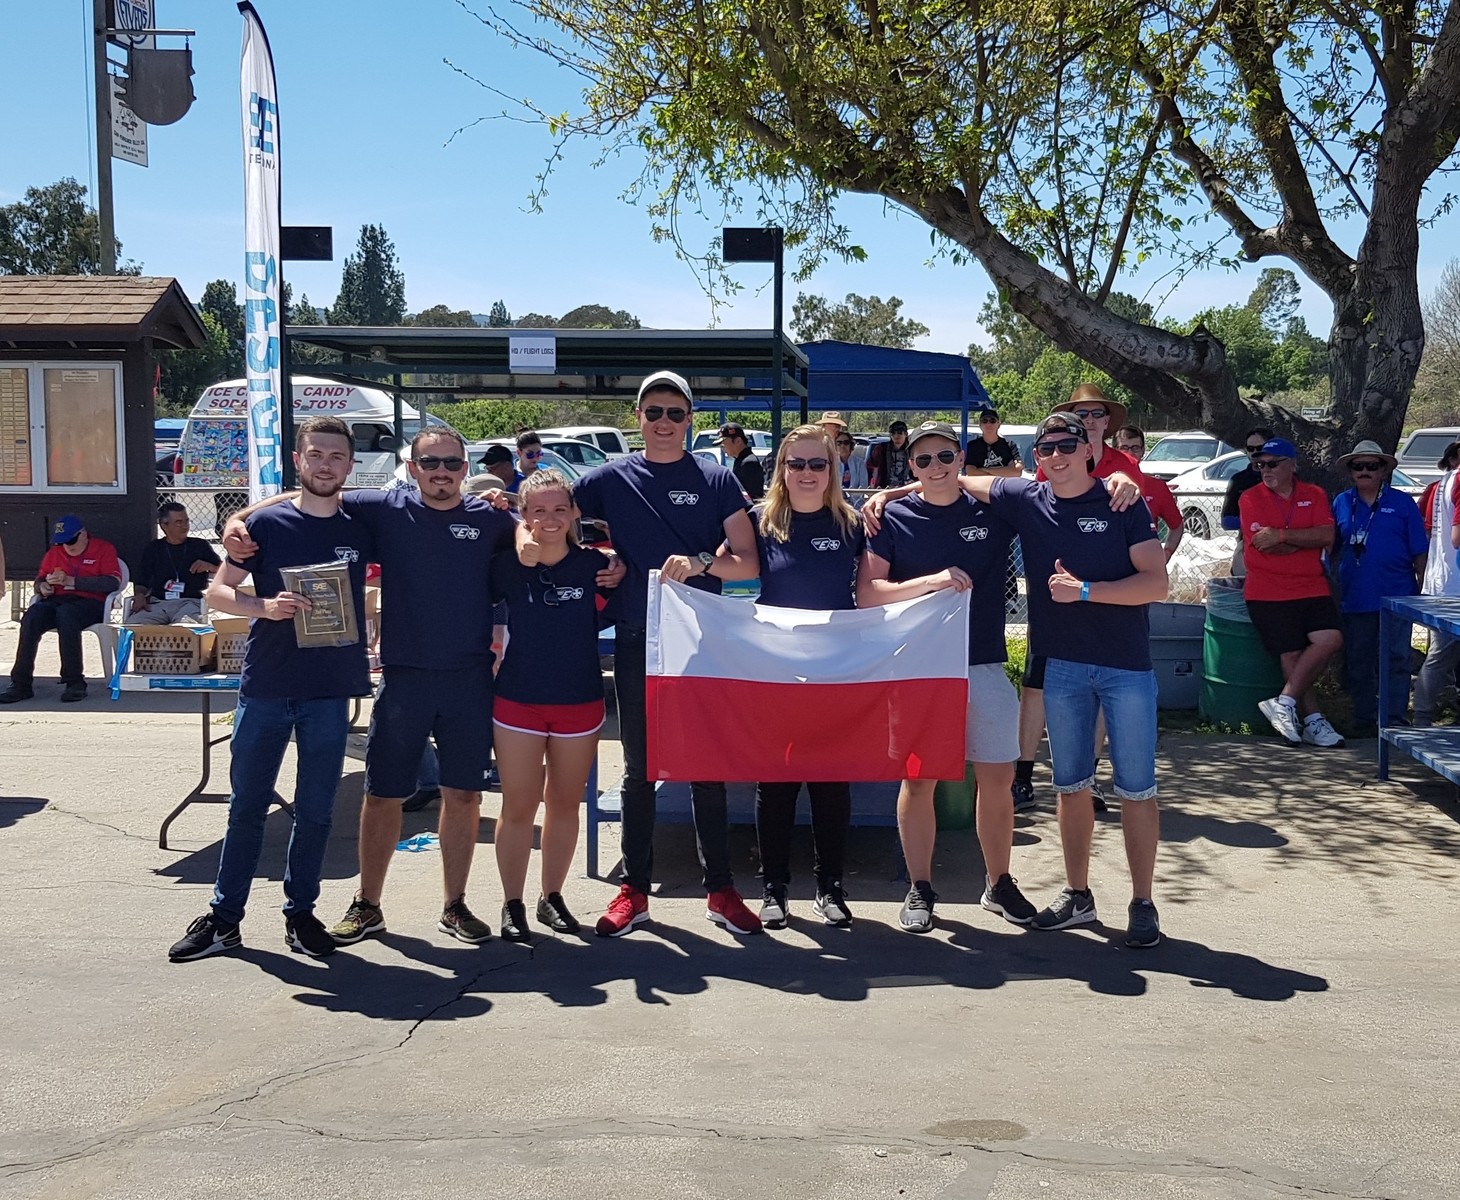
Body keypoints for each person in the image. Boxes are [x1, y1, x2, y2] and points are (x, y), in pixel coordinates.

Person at [223, 428, 579, 945]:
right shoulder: (385, 508)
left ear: (465, 468)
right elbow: (314, 493)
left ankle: (454, 905)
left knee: (463, 796)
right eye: (429, 462)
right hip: (403, 679)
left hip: (469, 680)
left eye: (451, 463)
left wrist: (606, 563)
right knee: (382, 794)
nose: (441, 472)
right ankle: (368, 904)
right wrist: (239, 517)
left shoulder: (489, 518)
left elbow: (544, 532)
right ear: (412, 468)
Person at [534, 370, 762, 938]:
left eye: (675, 413)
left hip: (701, 640)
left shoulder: (715, 478)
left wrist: (703, 562)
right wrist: (598, 558)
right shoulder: (610, 477)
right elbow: (547, 515)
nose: (664, 422)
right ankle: (634, 891)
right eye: (653, 412)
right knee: (639, 769)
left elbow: (747, 562)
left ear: (690, 420)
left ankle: (721, 890)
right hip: (639, 637)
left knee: (707, 769)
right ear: (637, 417)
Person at [167, 416, 374, 961]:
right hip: (267, 686)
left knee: (317, 812)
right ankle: (223, 918)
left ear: (350, 465)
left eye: (336, 456)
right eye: (316, 454)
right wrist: (265, 606)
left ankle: (300, 915)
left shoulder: (362, 524)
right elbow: (217, 593)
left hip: (329, 690)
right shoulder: (265, 525)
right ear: (298, 460)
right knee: (247, 808)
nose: (325, 464)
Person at [960, 413, 1170, 947]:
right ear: (1036, 458)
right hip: (1064, 669)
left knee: (1136, 789)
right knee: (1071, 786)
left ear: (1088, 450)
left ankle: (1143, 903)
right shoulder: (1028, 499)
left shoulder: (1122, 501)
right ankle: (1078, 895)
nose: (1057, 455)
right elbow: (951, 478)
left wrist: (1086, 592)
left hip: (1126, 669)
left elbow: (1156, 584)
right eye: (1047, 447)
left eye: (1067, 445)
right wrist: (889, 495)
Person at [857, 421, 1035, 933]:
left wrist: (1120, 480)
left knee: (997, 779)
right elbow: (868, 594)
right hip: (920, 668)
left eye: (944, 456)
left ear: (961, 458)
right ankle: (920, 887)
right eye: (922, 460)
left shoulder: (991, 512)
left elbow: (1036, 486)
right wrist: (931, 583)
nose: (934, 467)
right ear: (910, 465)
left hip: (984, 662)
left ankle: (998, 883)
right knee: (920, 780)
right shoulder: (892, 517)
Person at [741, 425, 862, 929]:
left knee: (831, 783)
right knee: (777, 782)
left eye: (818, 464)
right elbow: (722, 563)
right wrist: (688, 565)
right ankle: (773, 888)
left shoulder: (854, 523)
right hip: (777, 671)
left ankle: (830, 886)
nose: (807, 473)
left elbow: (876, 586)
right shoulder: (760, 521)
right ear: (781, 470)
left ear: (833, 469)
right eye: (797, 464)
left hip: (836, 671)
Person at [490, 469, 611, 943]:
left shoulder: (597, 567)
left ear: (575, 512)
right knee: (518, 805)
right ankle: (512, 902)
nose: (551, 519)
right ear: (524, 514)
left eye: (561, 508)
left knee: (564, 804)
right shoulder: (505, 565)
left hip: (579, 701)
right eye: (538, 510)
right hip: (518, 700)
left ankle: (552, 896)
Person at [1014, 387, 1144, 813]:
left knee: (1104, 701)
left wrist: (1122, 482)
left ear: (1105, 425)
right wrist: (891, 492)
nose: (1088, 419)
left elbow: (1144, 511)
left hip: (1110, 623)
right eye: (1080, 413)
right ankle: (1023, 777)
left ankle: (1090, 776)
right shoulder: (1048, 461)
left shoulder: (1126, 467)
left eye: (1095, 413)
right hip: (1053, 615)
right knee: (1036, 687)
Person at [1240, 438, 1345, 747]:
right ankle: (1313, 720)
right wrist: (1303, 539)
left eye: (1273, 463)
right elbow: (1263, 544)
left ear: (1292, 465)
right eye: (1260, 464)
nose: (1266, 469)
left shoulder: (1314, 494)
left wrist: (1283, 535)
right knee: (1292, 654)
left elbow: (1326, 535)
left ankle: (1284, 703)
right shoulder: (1250, 497)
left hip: (1312, 585)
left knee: (1330, 639)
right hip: (1269, 589)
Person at [1331, 441, 1426, 730]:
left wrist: (1421, 589)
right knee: (1359, 659)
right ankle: (1365, 718)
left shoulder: (1403, 503)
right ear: (1350, 471)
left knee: (1397, 658)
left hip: (1397, 595)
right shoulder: (1341, 503)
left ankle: (1394, 718)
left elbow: (1420, 550)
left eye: (1371, 466)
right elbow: (1330, 547)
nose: (1364, 471)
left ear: (1383, 471)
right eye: (1358, 466)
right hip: (1356, 595)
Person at [0, 516, 121, 704]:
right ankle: (20, 683)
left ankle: (74, 682)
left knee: (67, 615)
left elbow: (112, 582)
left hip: (91, 602)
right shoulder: (55, 552)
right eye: (62, 542)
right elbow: (40, 579)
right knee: (32, 616)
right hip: (58, 599)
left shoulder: (103, 549)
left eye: (71, 541)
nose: (67, 546)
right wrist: (42, 587)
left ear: (83, 535)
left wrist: (74, 582)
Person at [1414, 448, 1460, 725]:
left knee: (1441, 655)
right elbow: (1457, 537)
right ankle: (1422, 716)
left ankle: (1424, 714)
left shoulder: (1443, 483)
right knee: (1441, 655)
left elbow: (1430, 531)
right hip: (1453, 585)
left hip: (1443, 580)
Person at [128, 502, 220, 625]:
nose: (185, 526)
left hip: (189, 603)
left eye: (186, 521)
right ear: (164, 526)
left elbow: (224, 570)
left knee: (187, 627)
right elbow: (141, 580)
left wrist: (209, 566)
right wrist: (139, 595)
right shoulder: (154, 548)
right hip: (158, 603)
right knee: (133, 624)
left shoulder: (199, 545)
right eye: (179, 522)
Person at [1111, 426, 1184, 561]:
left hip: (1145, 565)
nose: (1130, 453)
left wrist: (1166, 554)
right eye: (1124, 448)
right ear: (1114, 450)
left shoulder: (1157, 487)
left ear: (1143, 451)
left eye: (1135, 448)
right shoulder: (1101, 484)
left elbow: (1177, 526)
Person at [1222, 427, 1276, 575]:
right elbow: (1226, 520)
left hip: (1281, 542)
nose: (1254, 453)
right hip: (1248, 543)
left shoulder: (1283, 476)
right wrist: (1254, 522)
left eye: (1259, 448)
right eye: (1250, 449)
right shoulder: (1239, 480)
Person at [964, 409, 1023, 478]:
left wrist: (984, 469)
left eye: (992, 421)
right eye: (984, 421)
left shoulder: (1009, 445)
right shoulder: (972, 446)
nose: (988, 424)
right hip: (981, 484)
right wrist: (1005, 471)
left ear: (998, 424)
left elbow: (1017, 471)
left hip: (1004, 484)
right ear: (980, 425)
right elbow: (970, 472)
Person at [714, 422, 766, 500]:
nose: (723, 447)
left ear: (738, 441)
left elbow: (751, 496)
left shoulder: (749, 463)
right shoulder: (740, 460)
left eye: (724, 443)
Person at [866, 420, 911, 489]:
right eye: (893, 433)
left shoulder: (912, 449)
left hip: (907, 488)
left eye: (899, 433)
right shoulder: (881, 449)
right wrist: (872, 483)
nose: (896, 436)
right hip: (884, 488)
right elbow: (869, 467)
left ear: (906, 434)